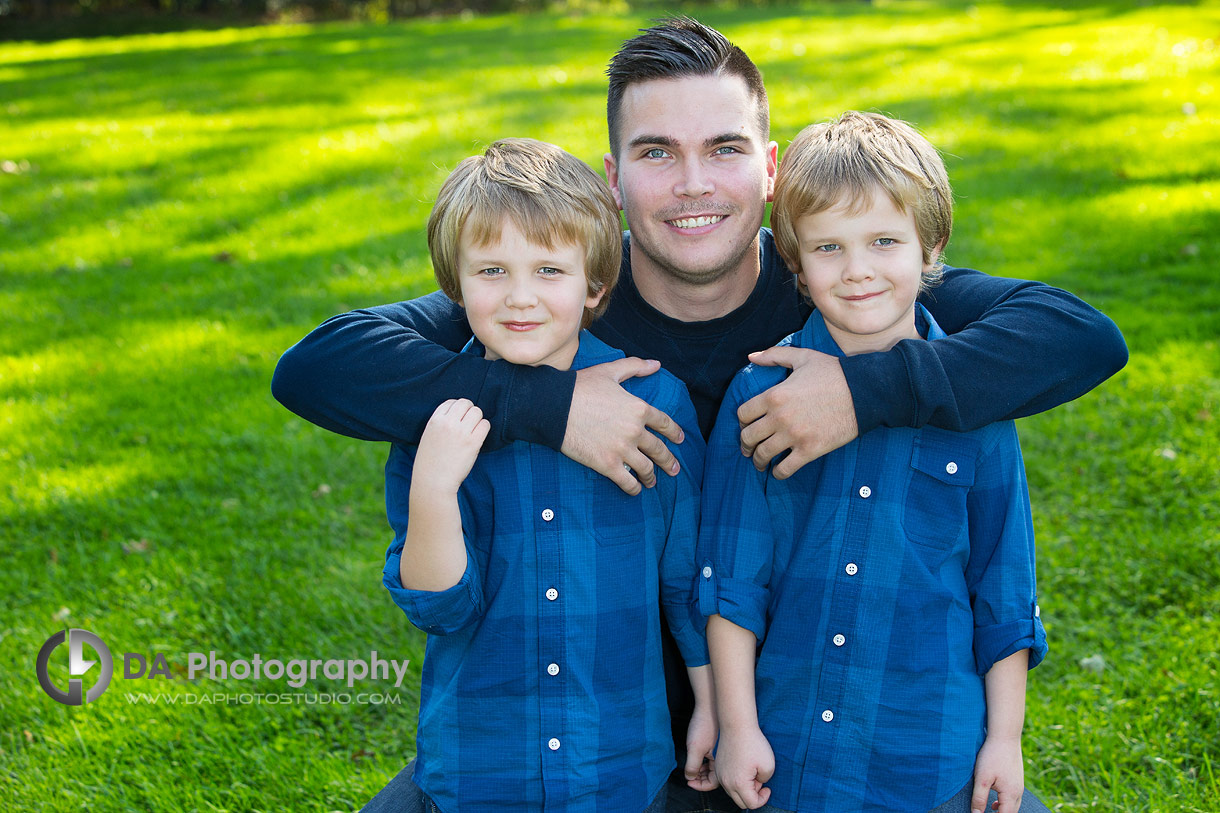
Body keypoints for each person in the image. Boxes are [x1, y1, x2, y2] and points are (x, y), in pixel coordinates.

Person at [272, 18, 1127, 813]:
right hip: (590, 735)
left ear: (771, 168)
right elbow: (320, 366)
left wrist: (863, 393)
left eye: (723, 148)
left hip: (805, 724)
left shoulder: (838, 286)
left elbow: (1079, 338)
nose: (691, 184)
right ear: (611, 182)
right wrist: (551, 405)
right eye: (655, 152)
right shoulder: (553, 301)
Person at [700, 111, 1055, 813]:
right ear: (796, 263)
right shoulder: (759, 394)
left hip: (929, 754)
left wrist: (1005, 739)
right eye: (829, 246)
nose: (858, 270)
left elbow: (1004, 590)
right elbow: (731, 582)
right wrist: (737, 727)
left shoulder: (975, 404)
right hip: (791, 751)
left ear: (931, 246)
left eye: (884, 241)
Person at [367, 137, 714, 813]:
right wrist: (435, 488)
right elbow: (441, 607)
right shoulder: (433, 417)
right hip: (479, 768)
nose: (520, 298)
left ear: (594, 283)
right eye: (491, 270)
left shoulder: (656, 402)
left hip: (618, 767)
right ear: (454, 285)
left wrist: (712, 707)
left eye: (549, 270)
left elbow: (685, 582)